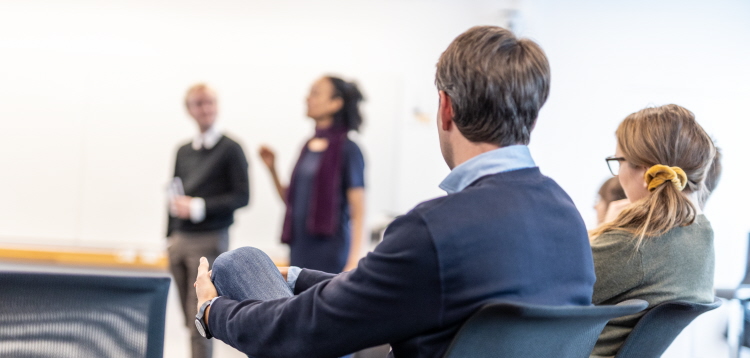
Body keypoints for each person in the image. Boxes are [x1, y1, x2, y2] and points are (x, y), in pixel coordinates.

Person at [194, 26, 596, 358]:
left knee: (237, 263)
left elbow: (306, 333)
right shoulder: (567, 216)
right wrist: (297, 276)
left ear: (446, 107)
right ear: (533, 111)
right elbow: (392, 290)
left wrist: (213, 311)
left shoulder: (436, 228)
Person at [590, 104, 716, 357]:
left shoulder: (635, 243)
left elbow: (545, 284)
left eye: (618, 161)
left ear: (645, 171)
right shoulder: (702, 234)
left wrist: (603, 231)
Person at [167, 83, 249, 358]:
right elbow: (174, 193)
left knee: (200, 318)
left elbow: (242, 196)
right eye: (199, 103)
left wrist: (199, 207)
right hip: (179, 240)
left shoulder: (231, 149)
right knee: (186, 317)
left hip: (209, 239)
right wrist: (170, 235)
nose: (205, 108)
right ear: (189, 109)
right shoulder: (183, 151)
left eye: (210, 102)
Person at [258, 76, 366, 273]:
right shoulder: (307, 147)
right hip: (299, 250)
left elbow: (358, 212)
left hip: (331, 255)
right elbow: (290, 200)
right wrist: (272, 169)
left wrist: (352, 263)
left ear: (336, 103)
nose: (308, 98)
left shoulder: (348, 149)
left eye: (316, 93)